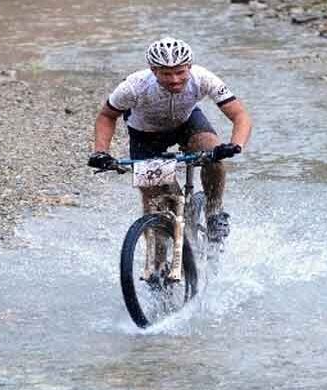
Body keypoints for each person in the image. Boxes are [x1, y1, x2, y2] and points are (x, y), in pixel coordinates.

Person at [88, 37, 252, 243]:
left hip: (187, 123)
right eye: (166, 73)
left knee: (212, 150)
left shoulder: (203, 78)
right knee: (162, 206)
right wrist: (100, 152)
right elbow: (106, 116)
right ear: (153, 70)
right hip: (145, 135)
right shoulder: (133, 86)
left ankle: (214, 211)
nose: (174, 79)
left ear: (189, 67)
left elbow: (240, 115)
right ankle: (157, 269)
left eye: (180, 72)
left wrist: (235, 145)